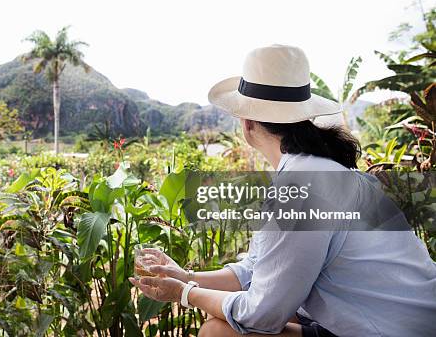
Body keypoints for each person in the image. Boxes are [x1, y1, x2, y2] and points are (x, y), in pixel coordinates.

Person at [129, 45, 436, 337]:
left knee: (217, 330)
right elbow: (257, 268)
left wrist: (184, 294)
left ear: (247, 123)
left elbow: (260, 314)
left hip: (390, 330)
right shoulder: (322, 170)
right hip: (411, 319)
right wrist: (187, 275)